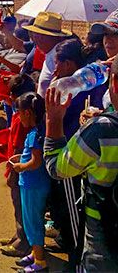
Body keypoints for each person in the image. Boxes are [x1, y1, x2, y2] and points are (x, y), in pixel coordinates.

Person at [44, 60, 118, 271]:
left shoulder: (100, 131)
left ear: (114, 84)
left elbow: (56, 168)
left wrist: (53, 120)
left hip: (104, 239)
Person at [12, 92, 50, 273]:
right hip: (33, 183)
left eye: (19, 113)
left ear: (27, 113)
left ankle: (40, 262)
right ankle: (35, 254)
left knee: (32, 221)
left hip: (32, 184)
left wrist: (21, 165)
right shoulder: (38, 131)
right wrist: (23, 157)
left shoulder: (36, 135)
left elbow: (36, 162)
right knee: (31, 220)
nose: (18, 117)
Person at [0, 74, 35, 258]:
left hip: (19, 168)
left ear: (13, 95)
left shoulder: (23, 117)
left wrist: (14, 167)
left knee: (21, 205)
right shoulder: (20, 113)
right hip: (16, 165)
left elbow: (22, 146)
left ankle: (23, 242)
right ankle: (18, 235)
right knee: (17, 204)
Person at [23, 12, 72, 97]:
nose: (34, 39)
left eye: (36, 35)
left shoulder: (57, 58)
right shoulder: (51, 53)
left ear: (41, 37)